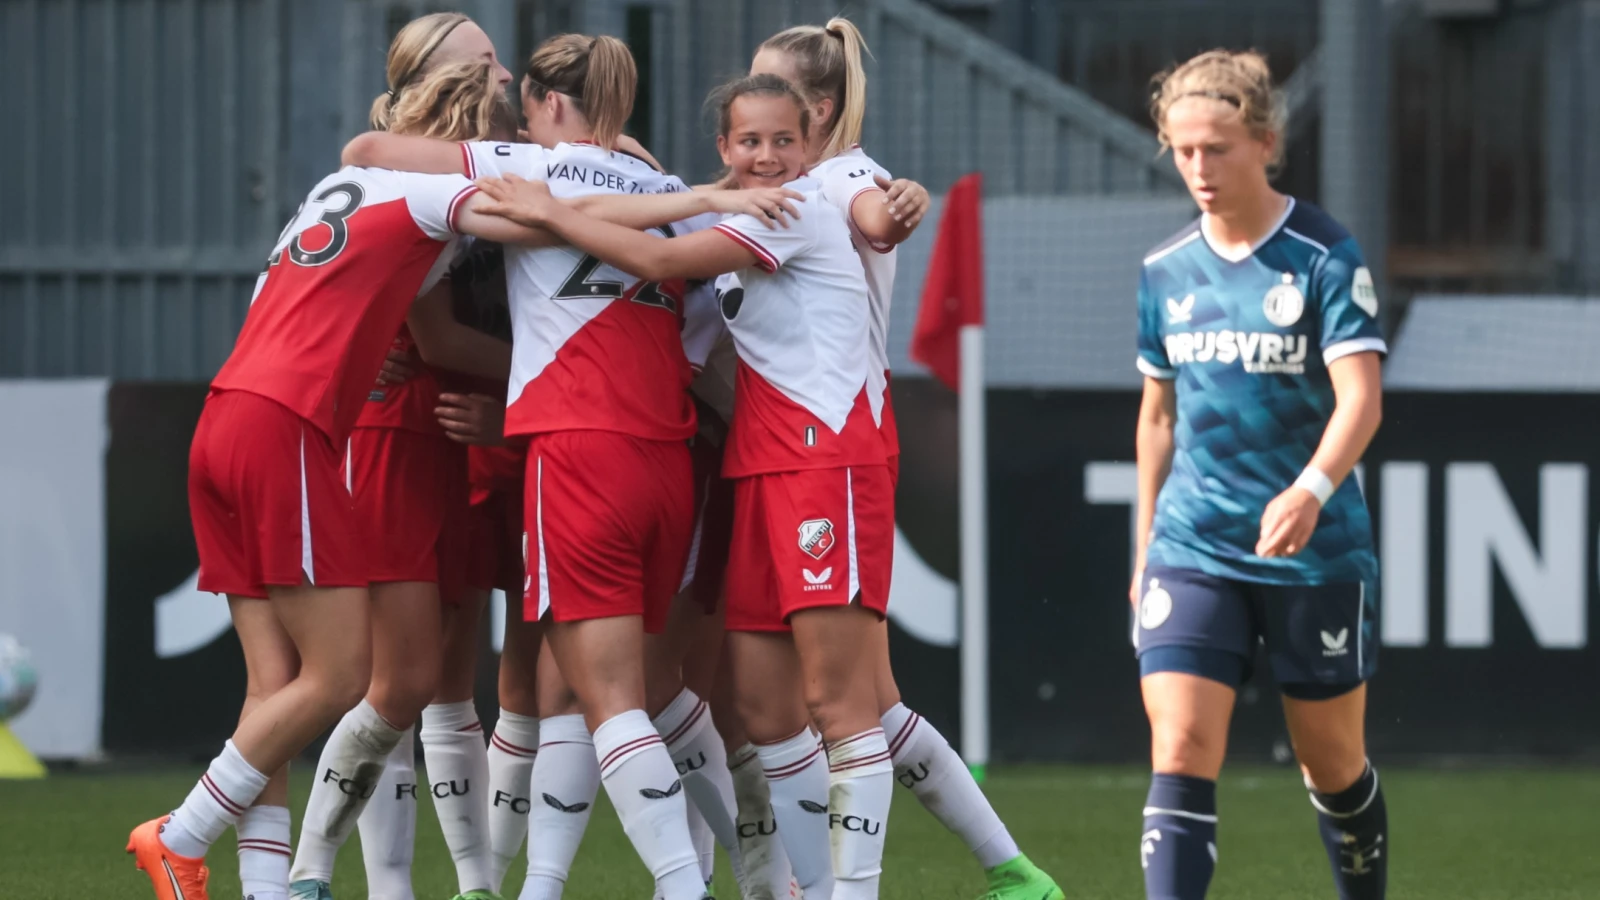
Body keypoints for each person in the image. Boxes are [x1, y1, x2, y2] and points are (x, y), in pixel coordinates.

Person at [341, 34, 804, 900]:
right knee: (655, 693)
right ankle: (756, 873)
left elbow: (366, 154)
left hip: (576, 452)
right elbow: (709, 341)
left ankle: (680, 883)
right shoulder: (674, 196)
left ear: (552, 104)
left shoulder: (530, 166)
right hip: (669, 460)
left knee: (604, 701)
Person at [123, 50, 565, 900]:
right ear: (470, 131)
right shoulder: (431, 189)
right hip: (287, 428)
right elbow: (545, 220)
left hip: (226, 413)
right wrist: (684, 200)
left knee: (276, 689)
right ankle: (179, 835)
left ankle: (265, 890)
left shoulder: (342, 190)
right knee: (340, 675)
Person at [472, 72, 897, 900]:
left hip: (806, 458)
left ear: (814, 142)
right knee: (742, 705)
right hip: (724, 463)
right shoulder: (696, 200)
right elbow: (668, 253)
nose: (767, 157)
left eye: (783, 139)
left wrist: (555, 205)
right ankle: (783, 883)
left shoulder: (788, 205)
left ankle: (689, 885)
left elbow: (661, 256)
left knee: (841, 708)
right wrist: (662, 181)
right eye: (750, 142)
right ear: (722, 148)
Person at [749, 18, 1065, 900]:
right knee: (867, 708)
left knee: (839, 709)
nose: (754, 103)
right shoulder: (769, 187)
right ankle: (1014, 872)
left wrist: (899, 205)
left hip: (831, 452)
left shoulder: (841, 176)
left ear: (815, 107)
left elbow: (878, 214)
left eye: (770, 88)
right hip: (778, 454)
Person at [1130, 49, 1388, 900]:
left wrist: (1311, 490)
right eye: (1184, 150)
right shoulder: (1164, 273)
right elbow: (1158, 417)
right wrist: (1144, 550)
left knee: (1333, 763)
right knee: (1180, 749)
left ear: (1267, 142)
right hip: (1194, 542)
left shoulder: (1322, 255)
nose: (1198, 168)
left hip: (1313, 549)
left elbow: (1362, 401)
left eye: (1219, 148)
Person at [283, 17, 520, 900]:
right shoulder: (401, 165)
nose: (506, 77)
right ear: (436, 76)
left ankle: (474, 884)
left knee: (449, 685)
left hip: (464, 435)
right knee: (398, 680)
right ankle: (340, 876)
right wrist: (581, 376)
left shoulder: (510, 156)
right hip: (400, 428)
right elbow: (435, 331)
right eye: (487, 62)